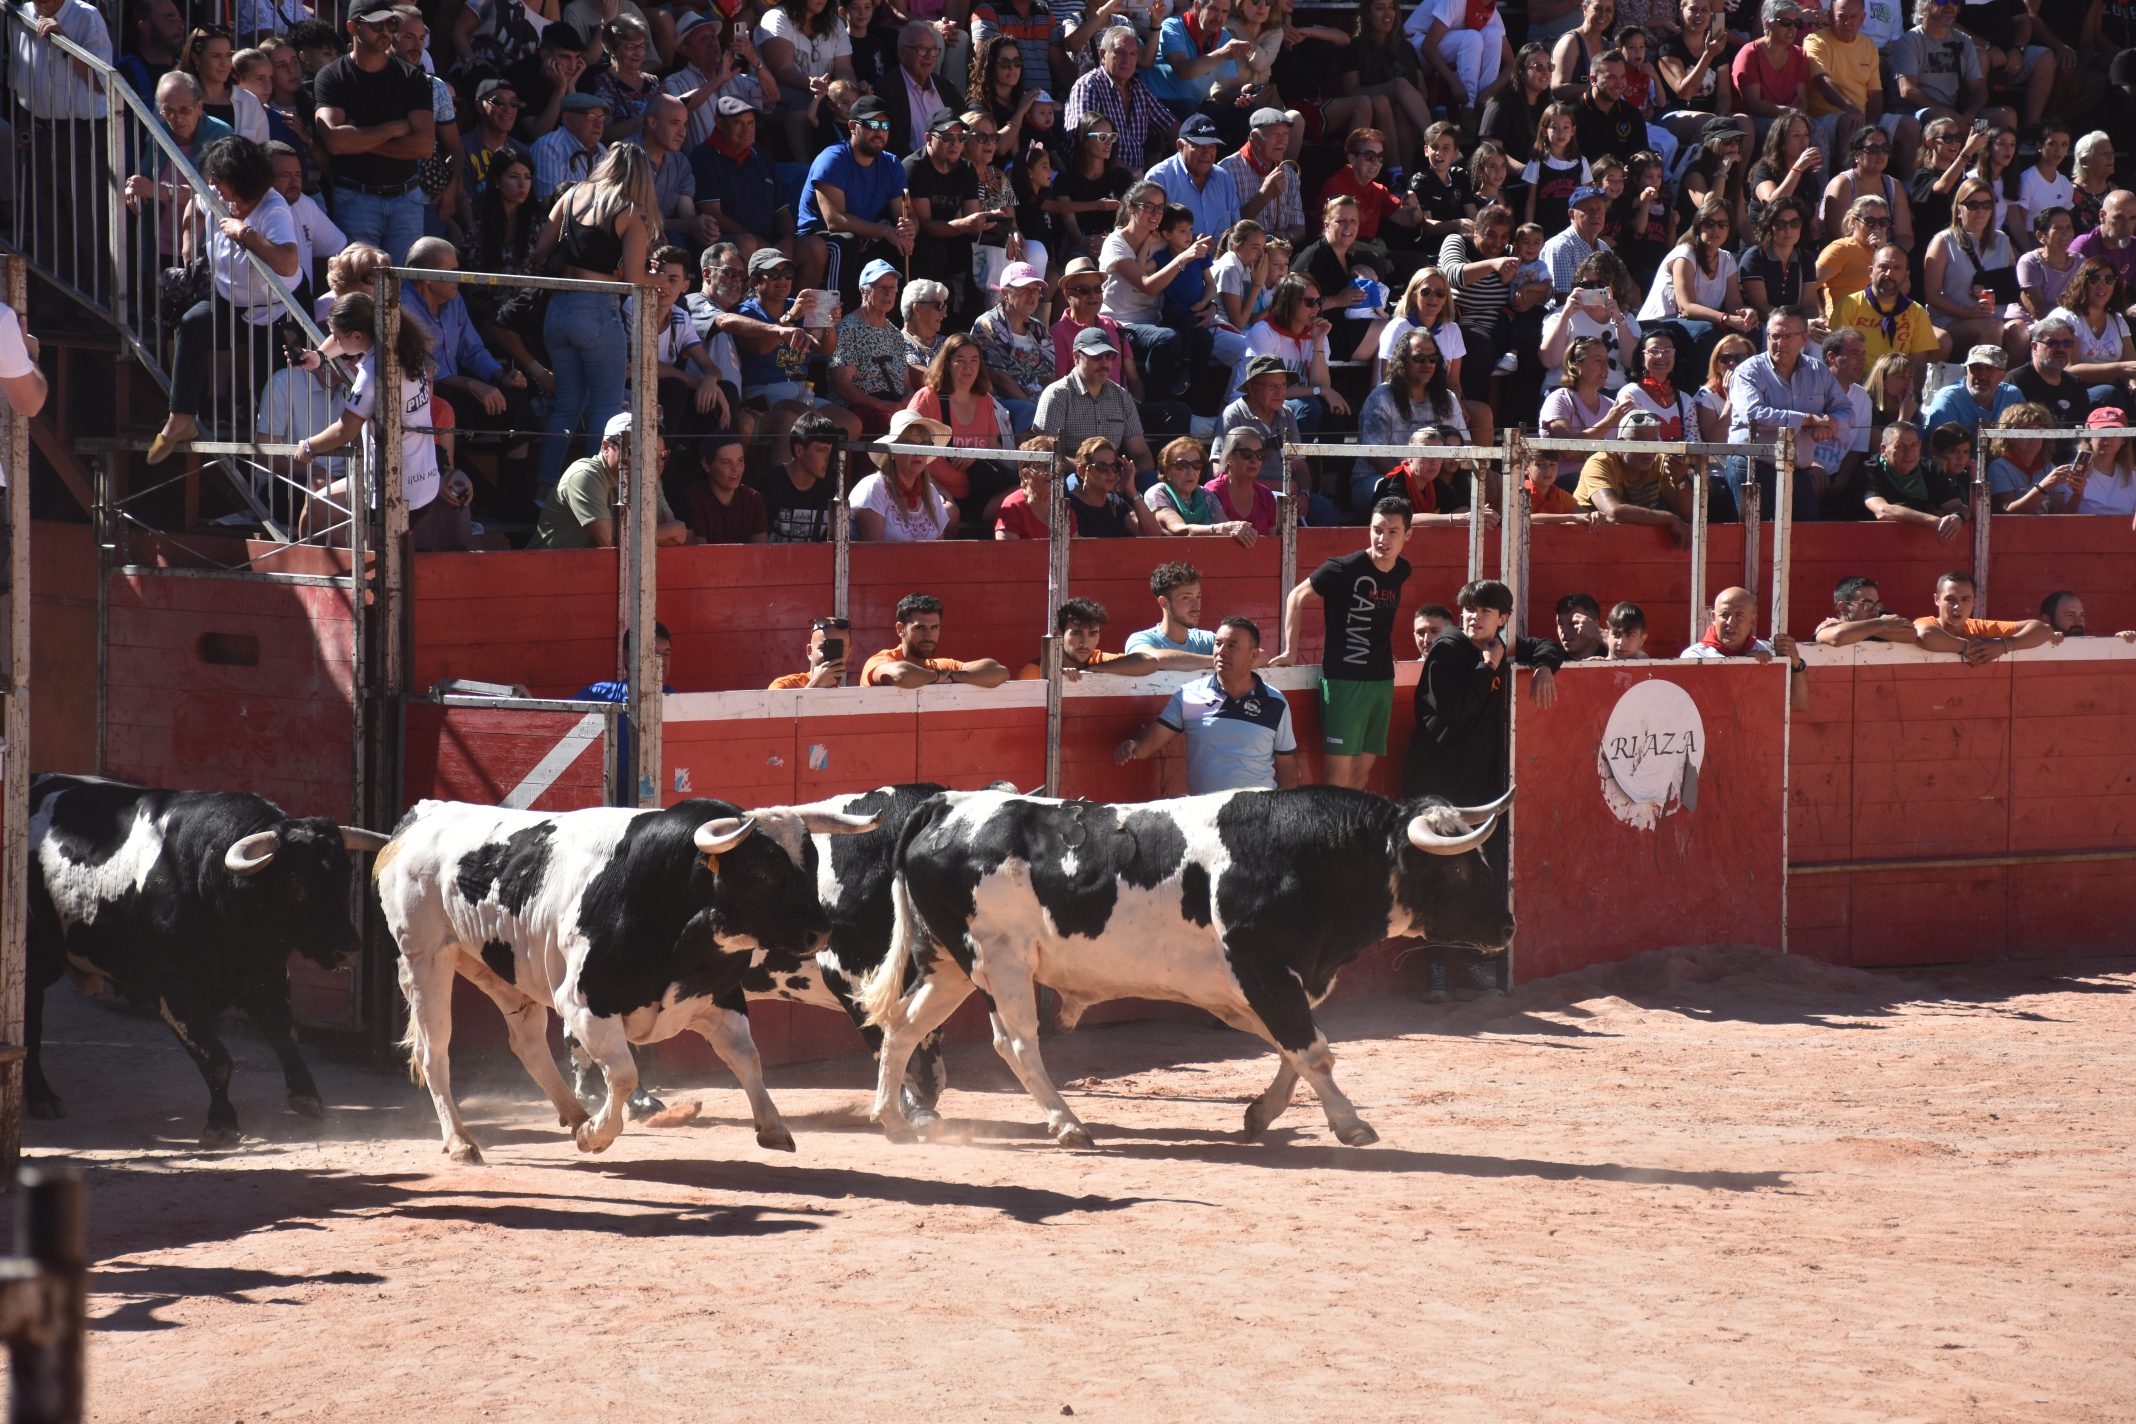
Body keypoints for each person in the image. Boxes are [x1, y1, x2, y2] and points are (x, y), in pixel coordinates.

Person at [1406, 577, 1560, 1000]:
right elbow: (1452, 711)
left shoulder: (1497, 646)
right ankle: (1436, 969)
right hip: (1436, 785)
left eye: (1485, 611)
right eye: (1469, 610)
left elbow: (1546, 645)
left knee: (1475, 877)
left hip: (1477, 784)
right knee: (1438, 875)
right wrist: (1489, 666)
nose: (1474, 617)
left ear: (1502, 619)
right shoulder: (1449, 649)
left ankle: (1472, 961)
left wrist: (1544, 666)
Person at [144, 136, 302, 466]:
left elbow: (288, 262)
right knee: (191, 323)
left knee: (267, 389)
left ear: (244, 183)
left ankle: (270, 474)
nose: (215, 186)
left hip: (272, 309)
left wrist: (246, 234)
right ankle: (181, 418)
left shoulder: (274, 211)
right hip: (229, 298)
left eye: (222, 181)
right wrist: (189, 244)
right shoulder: (217, 194)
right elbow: (194, 206)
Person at [530, 144, 654, 491]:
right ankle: (595, 493)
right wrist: (661, 278)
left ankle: (544, 490)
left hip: (558, 310)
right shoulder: (630, 211)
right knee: (606, 408)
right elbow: (634, 280)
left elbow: (540, 250)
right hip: (597, 312)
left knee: (566, 405)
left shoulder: (572, 193)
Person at [1270, 497, 1411, 790]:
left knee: (1361, 775)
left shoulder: (1401, 571)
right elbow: (1296, 597)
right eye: (1377, 529)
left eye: (1393, 531)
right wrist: (1289, 651)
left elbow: (1379, 613)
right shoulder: (1342, 568)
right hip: (1343, 682)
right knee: (1337, 781)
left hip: (1382, 681)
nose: (1383, 538)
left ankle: (1351, 836)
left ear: (1408, 535)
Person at [1114, 617, 1299, 793]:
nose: (1222, 651)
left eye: (1232, 645)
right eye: (1218, 644)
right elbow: (1147, 746)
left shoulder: (1275, 702)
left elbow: (1287, 770)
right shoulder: (1188, 696)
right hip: (1208, 819)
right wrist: (1132, 746)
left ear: (1253, 655)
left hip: (1260, 815)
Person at [312, 6, 433, 261]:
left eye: (391, 25)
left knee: (404, 286)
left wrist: (357, 139)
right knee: (359, 283)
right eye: (377, 25)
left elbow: (423, 146)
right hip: (356, 198)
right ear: (353, 27)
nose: (386, 32)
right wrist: (394, 128)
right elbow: (334, 141)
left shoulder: (412, 78)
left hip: (406, 199)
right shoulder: (331, 77)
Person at [1727, 305, 1854, 521]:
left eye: (1787, 336)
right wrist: (1806, 420)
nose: (1779, 342)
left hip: (1798, 471)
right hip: (1752, 467)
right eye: (1774, 336)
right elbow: (1754, 413)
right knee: (1757, 539)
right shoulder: (1748, 371)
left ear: (1804, 339)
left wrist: (1832, 423)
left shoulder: (1818, 371)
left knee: (1802, 542)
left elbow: (1846, 410)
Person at [796, 96, 918, 296]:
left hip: (868, 235)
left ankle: (889, 321)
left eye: (884, 125)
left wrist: (909, 228)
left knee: (906, 246)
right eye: (871, 124)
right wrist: (884, 231)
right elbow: (835, 221)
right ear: (852, 126)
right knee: (845, 243)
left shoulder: (892, 163)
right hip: (820, 237)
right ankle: (832, 318)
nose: (879, 132)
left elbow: (905, 213)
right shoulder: (833, 159)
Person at [529, 412, 688, 549]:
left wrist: (668, 532)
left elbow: (675, 539)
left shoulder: (646, 475)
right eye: (638, 451)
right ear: (605, 448)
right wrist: (672, 529)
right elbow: (611, 542)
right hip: (546, 574)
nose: (651, 461)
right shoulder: (584, 475)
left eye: (661, 455)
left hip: (591, 574)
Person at [1032, 326, 1158, 477]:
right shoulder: (1057, 395)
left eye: (1109, 356)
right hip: (1071, 479)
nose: (1104, 362)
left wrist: (1122, 475)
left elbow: (1143, 456)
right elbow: (1047, 454)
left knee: (1151, 480)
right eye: (1096, 356)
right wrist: (1093, 473)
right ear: (1076, 357)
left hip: (1114, 478)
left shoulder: (1122, 397)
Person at [1064, 25, 1177, 175]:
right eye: (1120, 53)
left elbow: (1170, 125)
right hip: (1099, 179)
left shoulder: (1138, 89)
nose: (1127, 60)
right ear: (1103, 55)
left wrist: (1188, 155)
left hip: (1134, 179)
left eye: (1133, 54)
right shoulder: (1088, 86)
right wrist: (1131, 174)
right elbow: (1084, 137)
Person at [1015, 597, 1215, 679]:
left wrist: (1091, 670)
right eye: (1076, 633)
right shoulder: (1035, 670)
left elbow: (1148, 662)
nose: (1085, 643)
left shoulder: (1097, 660)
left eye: (1093, 634)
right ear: (1060, 634)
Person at [1681, 586, 1810, 710]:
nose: (1731, 622)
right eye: (1724, 615)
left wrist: (1796, 664)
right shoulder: (1694, 656)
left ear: (1753, 620)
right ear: (1714, 618)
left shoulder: (1767, 651)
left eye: (1739, 615)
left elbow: (1799, 704)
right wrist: (1746, 664)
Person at [1831, 244, 1947, 380]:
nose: (1889, 274)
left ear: (1906, 275)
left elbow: (1918, 364)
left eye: (1897, 268)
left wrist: (1911, 396)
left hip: (1897, 387)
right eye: (1883, 267)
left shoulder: (1917, 312)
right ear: (1870, 271)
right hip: (1856, 386)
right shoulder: (1849, 305)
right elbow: (1836, 357)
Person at [692, 98, 790, 258]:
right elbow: (713, 214)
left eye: (750, 123)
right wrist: (763, 245)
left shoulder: (762, 155)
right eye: (738, 123)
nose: (746, 130)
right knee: (747, 242)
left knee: (814, 247)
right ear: (719, 123)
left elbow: (782, 212)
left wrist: (788, 241)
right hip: (730, 241)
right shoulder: (703, 157)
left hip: (771, 242)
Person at [862, 592, 1012, 687]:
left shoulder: (941, 667)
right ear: (900, 629)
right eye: (919, 628)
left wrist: (953, 676)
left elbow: (999, 672)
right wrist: (938, 677)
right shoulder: (881, 660)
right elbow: (901, 674)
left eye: (934, 627)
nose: (928, 636)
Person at [1912, 569, 2058, 663]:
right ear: (1937, 599)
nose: (1958, 606)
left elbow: (2044, 629)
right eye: (1950, 600)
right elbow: (1924, 634)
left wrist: (2003, 646)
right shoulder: (1927, 623)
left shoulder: (1978, 627)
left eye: (1965, 599)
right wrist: (1966, 646)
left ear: (1974, 602)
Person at [1856, 421, 1968, 538]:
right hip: (1871, 541)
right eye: (1900, 446)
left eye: (1913, 445)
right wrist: (1934, 521)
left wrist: (1958, 517)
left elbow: (1958, 507)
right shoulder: (1870, 470)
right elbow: (1883, 511)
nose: (1908, 453)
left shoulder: (1929, 469)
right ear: (1884, 449)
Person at [1221, 107, 1307, 247]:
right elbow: (1226, 229)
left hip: (1277, 261)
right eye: (1275, 134)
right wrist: (1264, 196)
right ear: (1254, 137)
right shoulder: (1227, 171)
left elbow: (1299, 228)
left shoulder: (1289, 174)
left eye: (1285, 134)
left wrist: (1286, 237)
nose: (1282, 141)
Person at [1144, 437, 1259, 541]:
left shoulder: (1206, 494)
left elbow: (1226, 525)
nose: (1191, 472)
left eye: (1196, 465)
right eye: (1182, 465)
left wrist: (1241, 531)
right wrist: (1219, 529)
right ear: (1167, 471)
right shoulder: (1158, 493)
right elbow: (1178, 529)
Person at [2007, 314, 2098, 429]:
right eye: (2052, 343)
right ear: (2034, 347)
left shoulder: (2075, 384)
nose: (2061, 349)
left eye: (2067, 343)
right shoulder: (2017, 380)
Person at [763, 412, 842, 541]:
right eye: (821, 450)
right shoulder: (768, 487)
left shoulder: (832, 489)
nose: (828, 458)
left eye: (831, 451)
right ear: (799, 450)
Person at [1920, 342, 2024, 433]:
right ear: (1966, 370)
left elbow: (2027, 436)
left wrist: (1998, 434)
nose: (1982, 375)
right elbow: (1938, 448)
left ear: (2002, 375)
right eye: (1975, 368)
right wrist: (1972, 435)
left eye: (1989, 369)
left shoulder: (2012, 396)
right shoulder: (1949, 399)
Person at [686, 436, 769, 544]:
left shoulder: (753, 499)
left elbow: (761, 552)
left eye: (740, 461)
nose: (736, 469)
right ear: (706, 464)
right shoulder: (694, 500)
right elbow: (700, 554)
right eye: (726, 462)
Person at [531, 91, 611, 202]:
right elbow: (549, 203)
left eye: (602, 118)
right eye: (591, 117)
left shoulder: (602, 150)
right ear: (567, 119)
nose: (598, 124)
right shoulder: (549, 147)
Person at [1125, 561, 1218, 655]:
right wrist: (1217, 662)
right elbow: (1151, 659)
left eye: (1198, 596)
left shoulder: (1208, 641)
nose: (1196, 606)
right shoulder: (1142, 640)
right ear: (1164, 602)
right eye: (1186, 598)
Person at [1815, 575, 1921, 646]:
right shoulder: (1830, 625)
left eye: (1877, 604)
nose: (1875, 610)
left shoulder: (1881, 618)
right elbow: (1838, 636)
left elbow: (1910, 634)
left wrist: (1874, 627)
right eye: (1867, 604)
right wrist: (1883, 625)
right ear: (1843, 608)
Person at [769, 617, 853, 689]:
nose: (833, 657)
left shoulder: (847, 697)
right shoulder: (784, 686)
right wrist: (815, 684)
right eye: (824, 648)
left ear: (849, 654)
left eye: (839, 649)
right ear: (809, 651)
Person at [1556, 592, 1605, 659]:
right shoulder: (1551, 659)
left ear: (1594, 625)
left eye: (1573, 623)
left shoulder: (1615, 654)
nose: (1564, 630)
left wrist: (1598, 633)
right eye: (1560, 624)